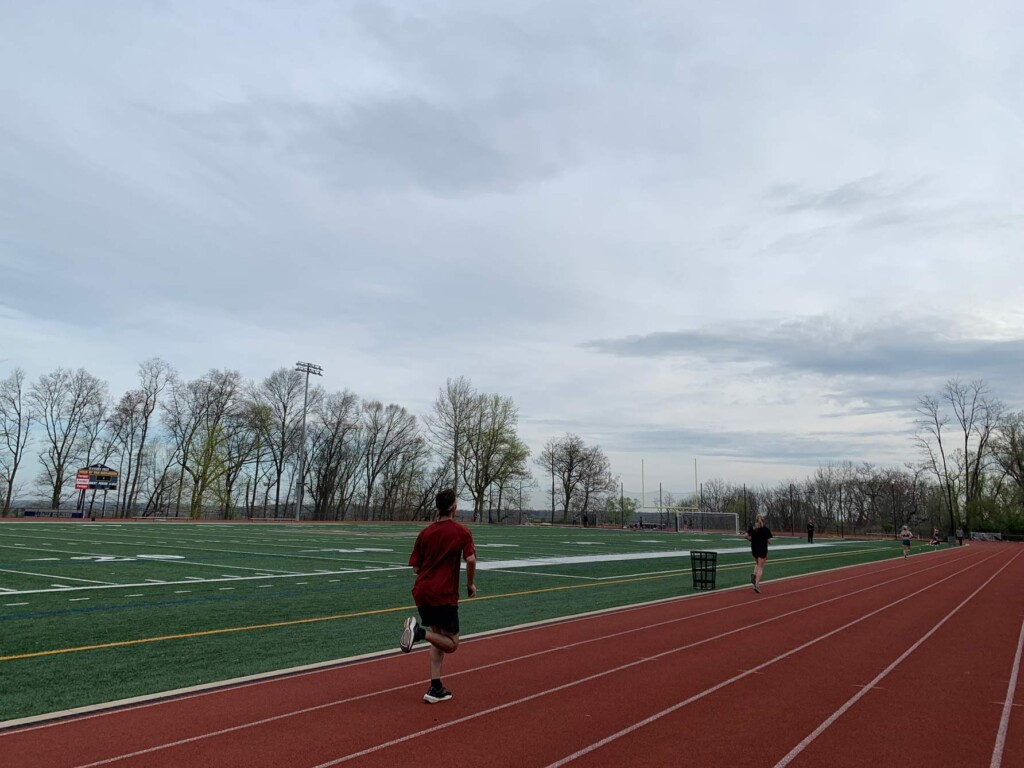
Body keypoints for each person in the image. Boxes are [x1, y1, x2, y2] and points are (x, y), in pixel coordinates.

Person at [400, 488, 477, 704]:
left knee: (439, 639)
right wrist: (470, 583)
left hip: (422, 591)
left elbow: (416, 568)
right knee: (452, 643)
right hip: (443, 593)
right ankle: (418, 633)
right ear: (453, 507)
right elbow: (470, 559)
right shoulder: (461, 531)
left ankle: (435, 687)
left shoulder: (425, 532)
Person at [743, 515, 773, 593]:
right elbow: (770, 541)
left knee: (757, 563)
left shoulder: (753, 528)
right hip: (762, 549)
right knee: (760, 567)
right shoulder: (766, 529)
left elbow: (745, 536)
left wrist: (751, 540)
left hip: (754, 549)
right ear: (763, 520)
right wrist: (764, 539)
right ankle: (757, 584)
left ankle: (754, 574)